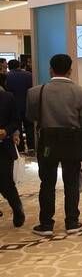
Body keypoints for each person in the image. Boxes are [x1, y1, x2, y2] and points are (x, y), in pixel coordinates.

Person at [26, 54, 82, 236]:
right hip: (73, 142)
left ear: (50, 69)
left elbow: (31, 117)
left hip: (47, 143)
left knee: (47, 183)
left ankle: (46, 224)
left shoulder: (36, 92)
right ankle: (72, 222)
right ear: (70, 71)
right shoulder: (80, 92)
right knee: (72, 183)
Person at [0, 87, 25, 227]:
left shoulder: (7, 97)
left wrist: (7, 131)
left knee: (5, 181)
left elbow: (16, 121)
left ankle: (17, 208)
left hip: (3, 147)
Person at [6, 59, 34, 155]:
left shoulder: (8, 76)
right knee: (29, 127)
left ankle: (20, 148)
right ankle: (31, 148)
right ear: (19, 65)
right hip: (28, 104)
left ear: (9, 66)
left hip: (14, 106)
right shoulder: (29, 75)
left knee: (17, 127)